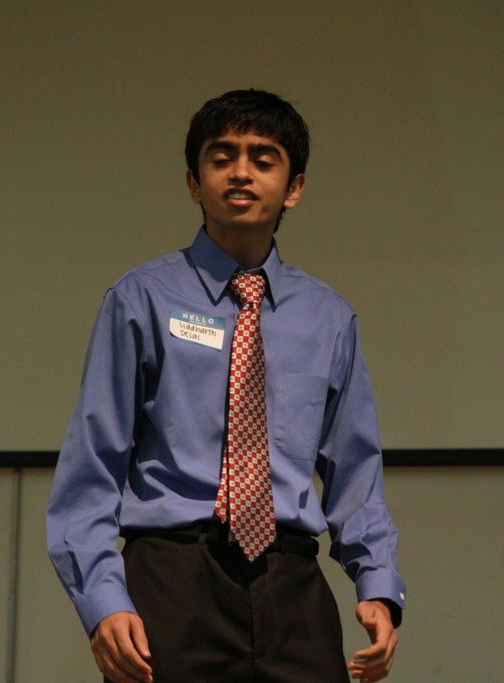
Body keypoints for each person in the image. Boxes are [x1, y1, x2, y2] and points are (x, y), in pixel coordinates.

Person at [47, 88, 406, 683]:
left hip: (292, 581)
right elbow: (92, 467)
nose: (241, 172)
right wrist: (103, 599)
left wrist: (378, 583)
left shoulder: (328, 317)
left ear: (294, 188)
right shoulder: (141, 299)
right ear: (194, 183)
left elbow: (356, 474)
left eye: (263, 159)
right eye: (222, 157)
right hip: (172, 579)